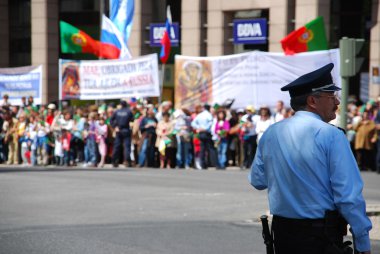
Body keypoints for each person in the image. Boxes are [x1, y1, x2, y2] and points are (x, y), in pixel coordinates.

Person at [249, 63, 372, 254]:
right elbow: (348, 197)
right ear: (313, 101)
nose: (337, 103)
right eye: (332, 97)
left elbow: (258, 181)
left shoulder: (271, 133)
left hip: (284, 236)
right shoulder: (332, 136)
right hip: (320, 238)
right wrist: (363, 243)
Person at [110, 100, 134, 167]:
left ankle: (114, 161)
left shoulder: (117, 111)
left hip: (119, 130)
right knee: (127, 146)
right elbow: (132, 119)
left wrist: (115, 127)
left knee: (117, 146)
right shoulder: (129, 111)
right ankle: (127, 161)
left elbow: (111, 120)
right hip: (126, 129)